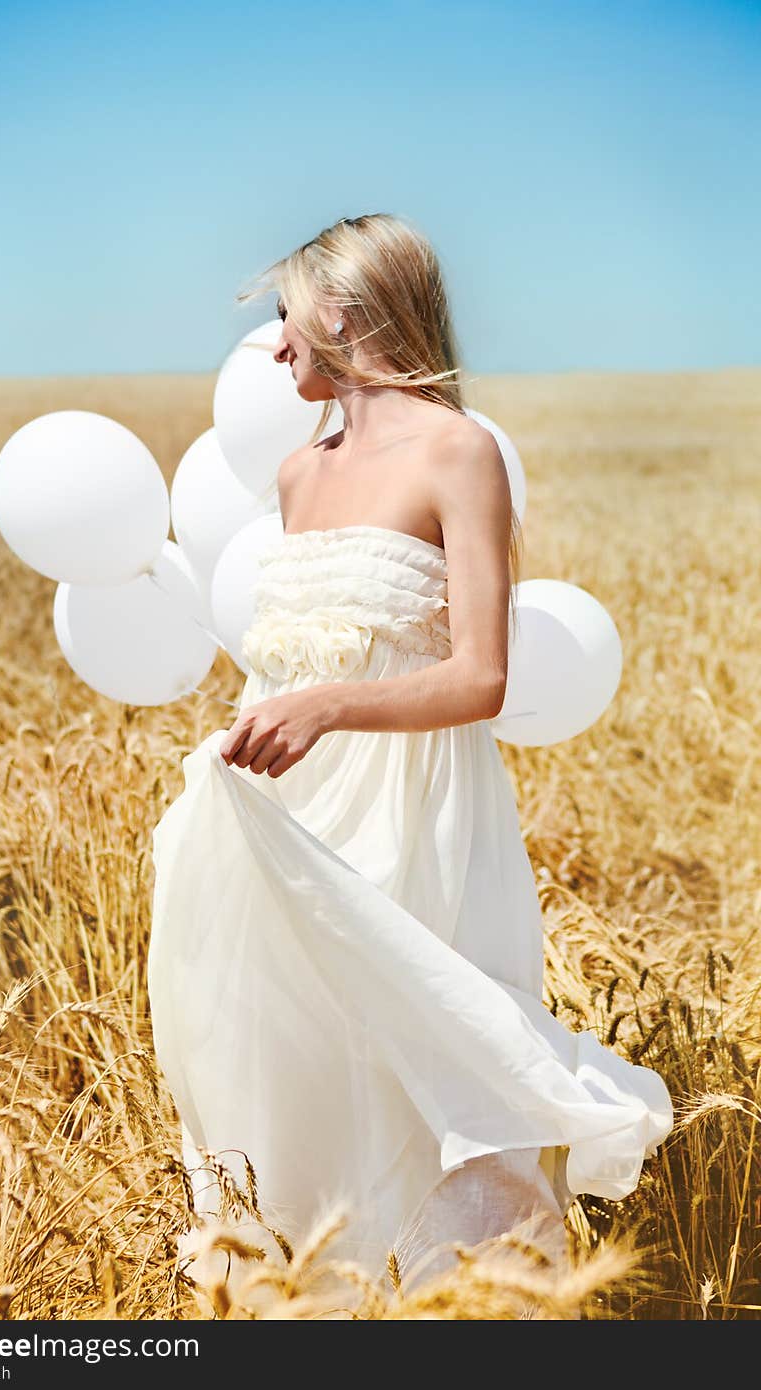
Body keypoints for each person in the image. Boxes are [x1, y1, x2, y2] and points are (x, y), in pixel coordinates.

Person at [148, 213, 673, 1285]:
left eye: (286, 318)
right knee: (297, 1072)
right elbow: (289, 667)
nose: (277, 347)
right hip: (291, 821)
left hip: (412, 815)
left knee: (431, 1073)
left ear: (342, 313)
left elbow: (480, 677)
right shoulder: (300, 472)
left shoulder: (456, 451)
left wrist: (330, 707)